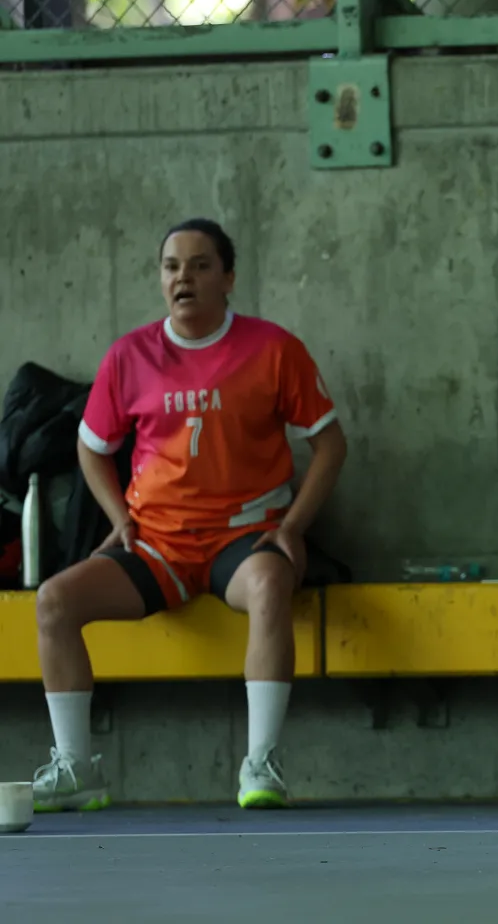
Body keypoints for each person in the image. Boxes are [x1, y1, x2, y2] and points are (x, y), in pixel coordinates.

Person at [30, 219, 348, 812]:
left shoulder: (274, 349)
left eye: (201, 266)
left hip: (243, 538)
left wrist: (291, 528)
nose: (184, 278)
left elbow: (330, 445)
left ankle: (261, 763)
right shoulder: (129, 355)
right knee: (53, 601)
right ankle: (76, 768)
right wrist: (119, 516)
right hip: (157, 544)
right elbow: (91, 448)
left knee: (271, 583)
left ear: (228, 278)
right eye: (172, 266)